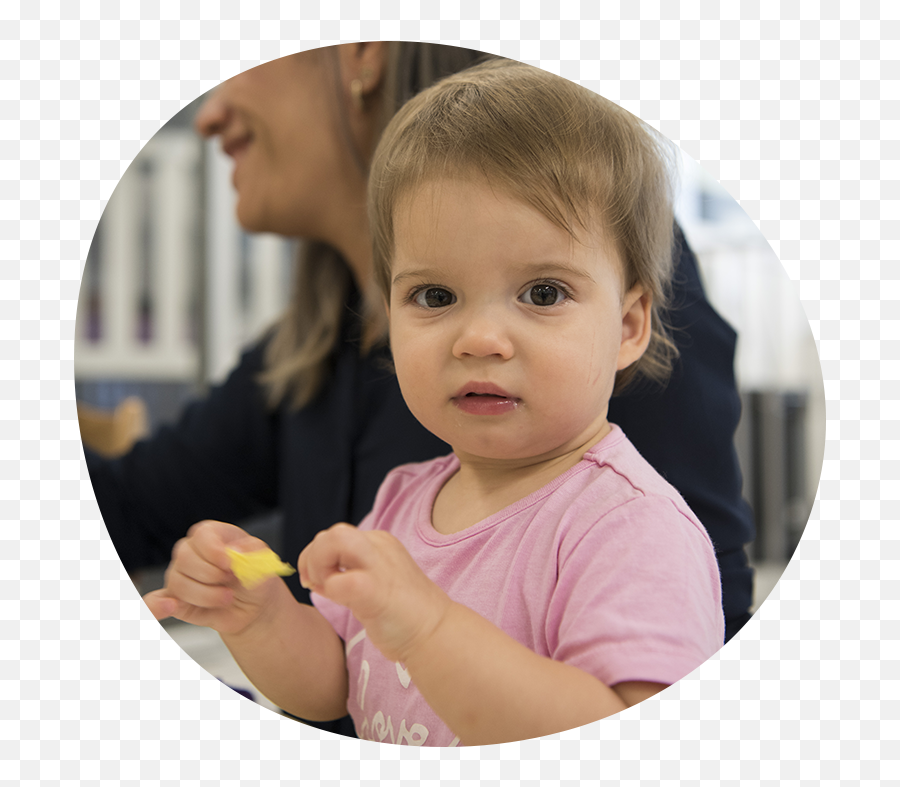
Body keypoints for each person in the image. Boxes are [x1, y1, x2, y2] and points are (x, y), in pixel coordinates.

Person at [83, 43, 755, 733]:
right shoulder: (405, 498)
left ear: (630, 325)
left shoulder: (629, 525)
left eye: (543, 292)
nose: (479, 339)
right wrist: (262, 615)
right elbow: (338, 683)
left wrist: (425, 624)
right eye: (435, 295)